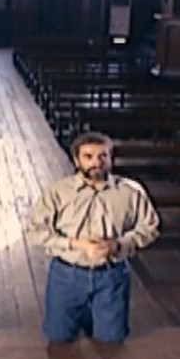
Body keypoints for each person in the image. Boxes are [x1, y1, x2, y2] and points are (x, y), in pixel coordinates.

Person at [27, 132, 161, 344]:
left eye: (103, 156)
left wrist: (118, 245)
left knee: (111, 340)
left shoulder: (130, 192)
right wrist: (75, 244)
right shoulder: (58, 192)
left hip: (111, 274)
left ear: (111, 158)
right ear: (76, 160)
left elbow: (150, 227)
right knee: (59, 338)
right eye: (88, 157)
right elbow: (35, 232)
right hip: (67, 274)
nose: (96, 163)